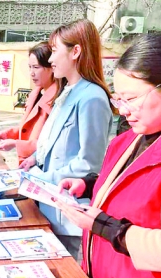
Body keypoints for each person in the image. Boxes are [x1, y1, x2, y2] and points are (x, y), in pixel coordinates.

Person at [56, 33, 161, 278]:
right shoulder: (134, 137)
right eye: (118, 99)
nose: (123, 110)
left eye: (131, 99)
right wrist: (90, 184)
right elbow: (136, 184)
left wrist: (107, 228)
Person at [19, 19, 113, 260]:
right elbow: (51, 140)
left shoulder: (92, 97)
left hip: (66, 205)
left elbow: (89, 164)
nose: (50, 60)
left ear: (76, 51)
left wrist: (40, 178)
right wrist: (34, 159)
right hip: (47, 198)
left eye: (54, 51)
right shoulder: (68, 90)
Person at [0, 42, 61, 164]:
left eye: (36, 67)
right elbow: (27, 128)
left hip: (40, 164)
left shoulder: (57, 100)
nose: (31, 73)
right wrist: (8, 134)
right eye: (29, 67)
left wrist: (15, 143)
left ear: (52, 67)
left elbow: (51, 142)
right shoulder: (37, 93)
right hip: (27, 163)